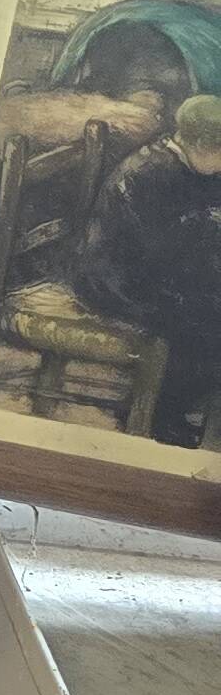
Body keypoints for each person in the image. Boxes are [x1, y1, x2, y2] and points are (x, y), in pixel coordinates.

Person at [75, 92, 221, 446]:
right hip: (114, 278)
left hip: (151, 273)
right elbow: (162, 249)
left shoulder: (186, 162)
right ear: (199, 144)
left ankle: (187, 404)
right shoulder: (151, 172)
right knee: (201, 319)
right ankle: (164, 414)